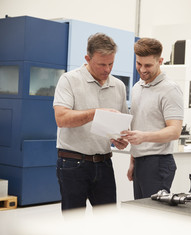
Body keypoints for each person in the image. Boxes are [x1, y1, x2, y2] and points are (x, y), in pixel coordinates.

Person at [53, 33, 129, 212]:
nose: (107, 69)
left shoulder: (118, 86)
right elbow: (61, 119)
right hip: (73, 163)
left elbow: (122, 124)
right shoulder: (69, 80)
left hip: (104, 163)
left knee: (108, 221)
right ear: (87, 58)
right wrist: (95, 113)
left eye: (111, 63)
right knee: (74, 222)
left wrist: (119, 139)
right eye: (102, 64)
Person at [122, 38, 184, 200]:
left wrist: (143, 137)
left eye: (148, 65)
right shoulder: (137, 87)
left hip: (158, 163)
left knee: (154, 218)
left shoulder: (170, 89)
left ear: (160, 61)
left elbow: (175, 131)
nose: (142, 69)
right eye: (138, 64)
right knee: (141, 215)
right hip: (140, 162)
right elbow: (139, 124)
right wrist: (133, 161)